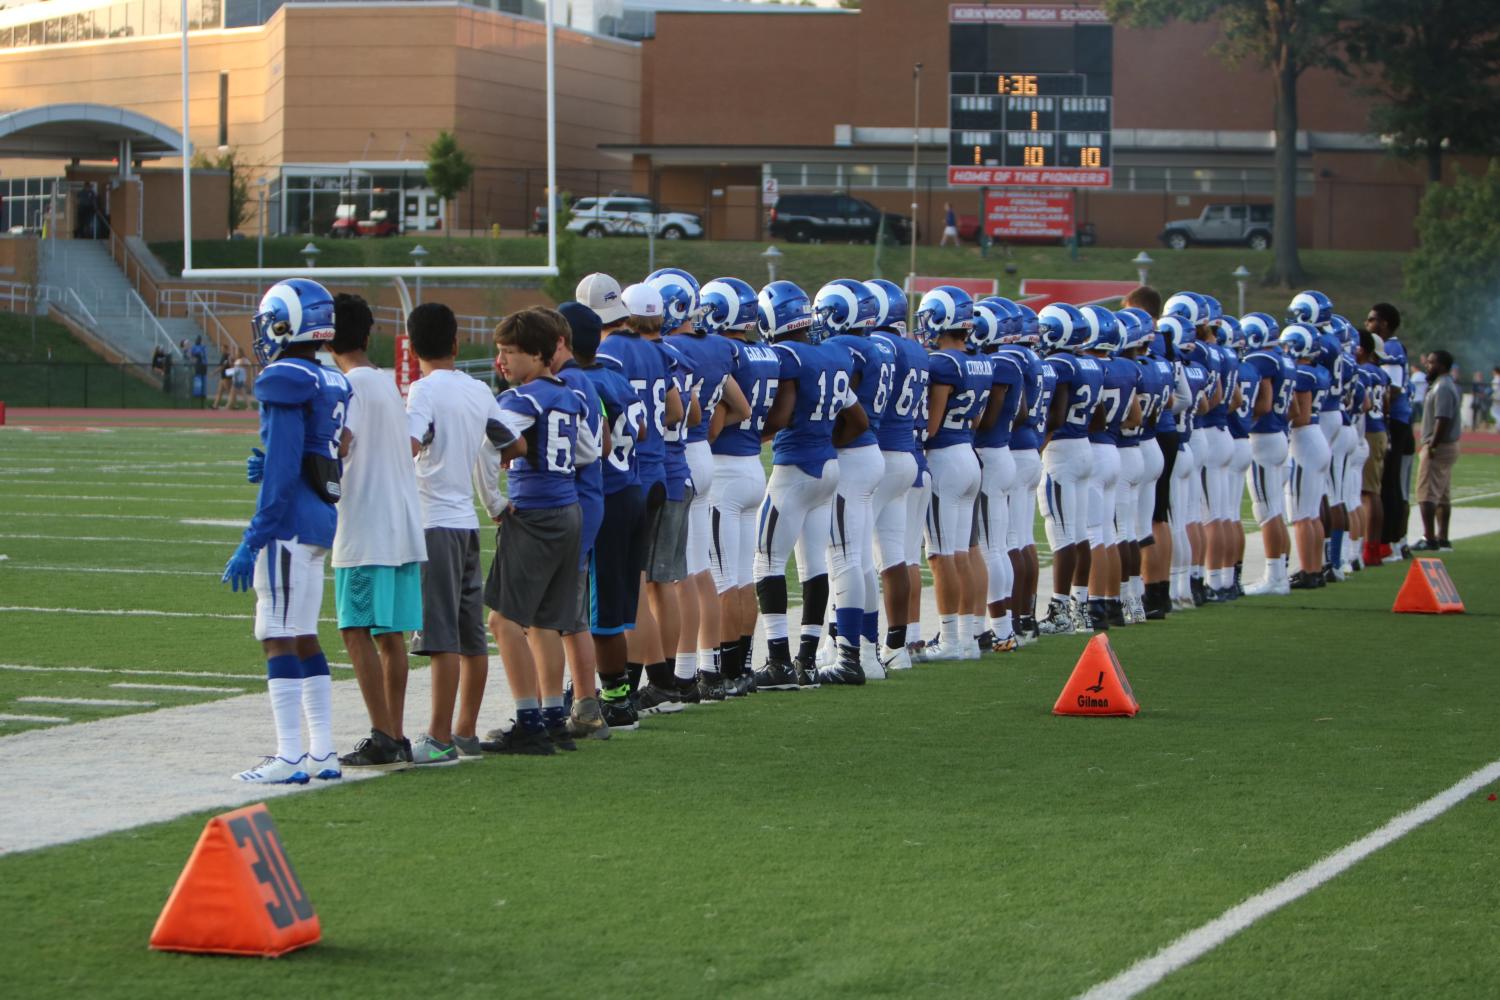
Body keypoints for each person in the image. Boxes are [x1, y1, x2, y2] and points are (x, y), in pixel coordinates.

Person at [221, 278, 351, 784]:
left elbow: (279, 475)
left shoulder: (286, 376)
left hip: (290, 524)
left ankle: (290, 755)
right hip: (320, 517)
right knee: (302, 635)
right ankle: (322, 753)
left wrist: (251, 539)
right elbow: (332, 448)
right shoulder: (333, 377)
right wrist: (283, 463)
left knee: (275, 635)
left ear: (284, 322)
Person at [405, 302, 517, 765]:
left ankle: (438, 736)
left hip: (433, 522)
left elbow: (408, 443)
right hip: (467, 525)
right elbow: (514, 442)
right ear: (455, 343)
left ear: (411, 349)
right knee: (471, 635)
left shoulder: (422, 391)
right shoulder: (477, 391)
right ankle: (464, 730)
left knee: (442, 636)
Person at [479, 307, 594, 755]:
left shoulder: (520, 399)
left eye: (510, 351)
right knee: (546, 621)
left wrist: (493, 501)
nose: (501, 361)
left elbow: (489, 441)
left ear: (540, 354)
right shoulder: (571, 394)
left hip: (535, 511)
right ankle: (551, 717)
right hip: (569, 508)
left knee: (503, 620)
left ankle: (528, 720)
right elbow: (588, 451)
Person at [324, 294, 427, 772]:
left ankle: (384, 734)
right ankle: (395, 732)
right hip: (402, 522)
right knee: (391, 636)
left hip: (366, 526)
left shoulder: (348, 387)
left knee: (355, 629)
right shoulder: (386, 383)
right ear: (367, 334)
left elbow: (341, 444)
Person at [751, 280, 864, 690]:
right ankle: (808, 661)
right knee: (813, 564)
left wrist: (754, 436)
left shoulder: (787, 355)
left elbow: (780, 418)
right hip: (827, 466)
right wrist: (826, 444)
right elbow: (859, 421)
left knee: (766, 561)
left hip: (795, 467)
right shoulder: (833, 354)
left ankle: (779, 662)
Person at [574, 274, 651, 729]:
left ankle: (617, 697)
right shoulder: (616, 374)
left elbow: (599, 444)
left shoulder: (588, 382)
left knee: (600, 611)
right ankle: (611, 689)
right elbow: (640, 430)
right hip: (631, 488)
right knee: (616, 606)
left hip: (605, 494)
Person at [1413, 350, 1461, 552]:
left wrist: (1432, 445)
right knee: (1442, 494)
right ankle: (1443, 538)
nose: (1427, 365)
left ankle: (1430, 538)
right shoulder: (1447, 385)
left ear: (1441, 366)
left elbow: (1442, 419)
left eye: (1431, 362)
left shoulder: (1442, 387)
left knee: (1426, 493)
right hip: (1447, 445)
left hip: (1438, 446)